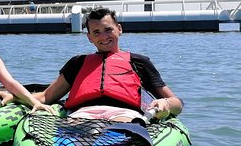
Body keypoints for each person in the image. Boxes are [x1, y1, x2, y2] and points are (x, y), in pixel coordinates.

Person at [36, 7, 183, 122]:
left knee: (122, 130)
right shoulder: (77, 63)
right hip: (82, 115)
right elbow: (46, 96)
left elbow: (177, 102)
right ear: (89, 37)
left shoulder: (139, 62)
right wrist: (14, 97)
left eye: (108, 30)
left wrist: (166, 104)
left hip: (125, 115)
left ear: (119, 29)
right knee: (73, 137)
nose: (104, 37)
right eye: (96, 32)